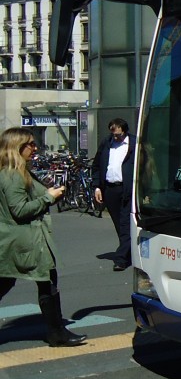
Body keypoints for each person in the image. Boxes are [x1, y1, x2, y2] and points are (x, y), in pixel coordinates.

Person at [0, 128, 86, 347]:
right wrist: (48, 197)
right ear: (17, 147)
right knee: (41, 283)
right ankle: (57, 333)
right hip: (23, 240)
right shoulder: (12, 175)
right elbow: (19, 210)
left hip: (26, 239)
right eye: (30, 144)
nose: (35, 147)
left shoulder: (20, 171)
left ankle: (57, 332)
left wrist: (51, 196)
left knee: (45, 282)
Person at [91, 117, 135, 272]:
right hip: (110, 189)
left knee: (125, 223)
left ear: (124, 130)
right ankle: (128, 252)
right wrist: (97, 187)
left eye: (118, 134)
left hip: (128, 189)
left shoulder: (134, 144)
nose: (115, 137)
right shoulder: (106, 143)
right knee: (118, 223)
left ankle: (121, 259)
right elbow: (96, 166)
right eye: (113, 134)